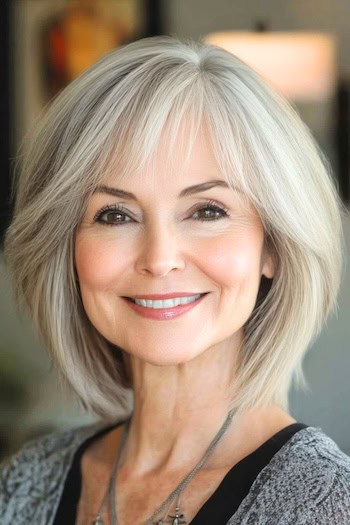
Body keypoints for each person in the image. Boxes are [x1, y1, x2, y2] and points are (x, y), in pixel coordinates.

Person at [1, 35, 349, 525]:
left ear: (272, 245)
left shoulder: (326, 504)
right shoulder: (23, 485)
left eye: (207, 210)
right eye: (116, 215)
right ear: (67, 248)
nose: (160, 258)